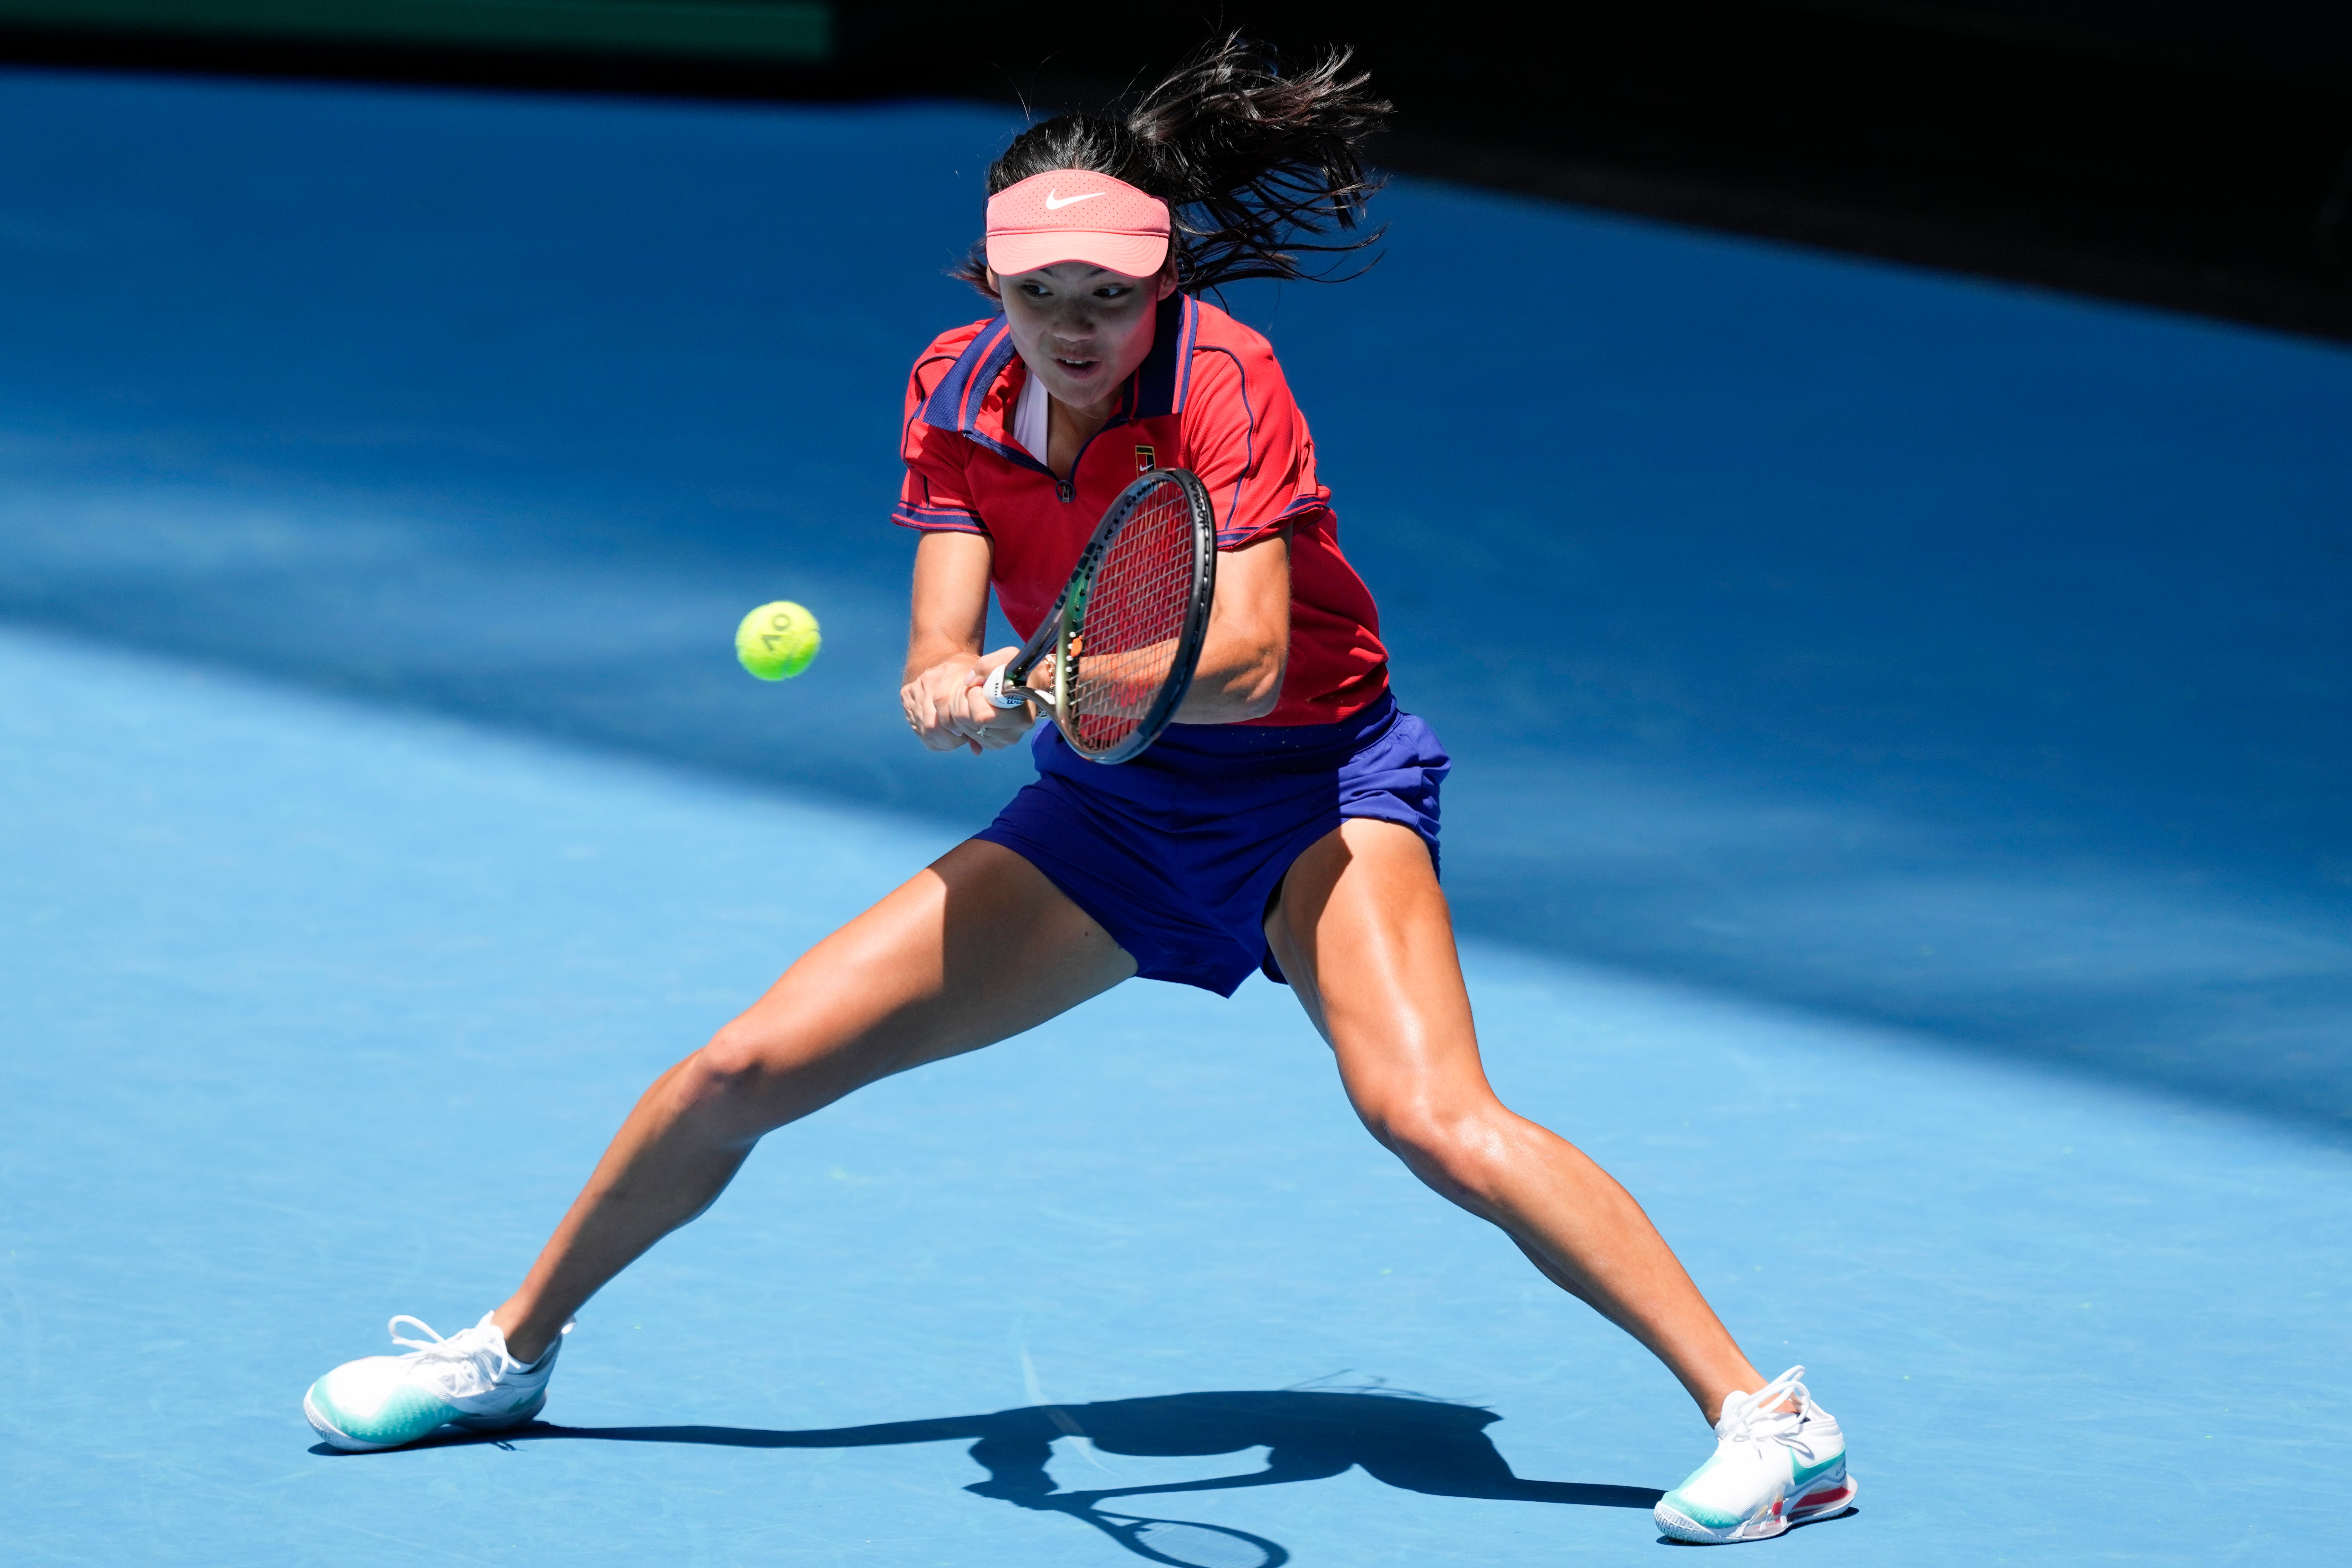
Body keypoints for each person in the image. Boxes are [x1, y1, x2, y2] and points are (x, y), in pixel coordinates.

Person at [300, 36, 1855, 1546]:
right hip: (1104, 823)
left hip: (1307, 796)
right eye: (1043, 293)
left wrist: (1045, 683)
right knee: (742, 1067)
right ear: (991, 287)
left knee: (1427, 1117)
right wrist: (943, 681)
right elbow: (939, 627)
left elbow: (1243, 661)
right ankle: (505, 1358)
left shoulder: (1228, 379)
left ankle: (1768, 1423)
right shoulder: (954, 386)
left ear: (1157, 285)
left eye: (1108, 295)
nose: (1076, 323)